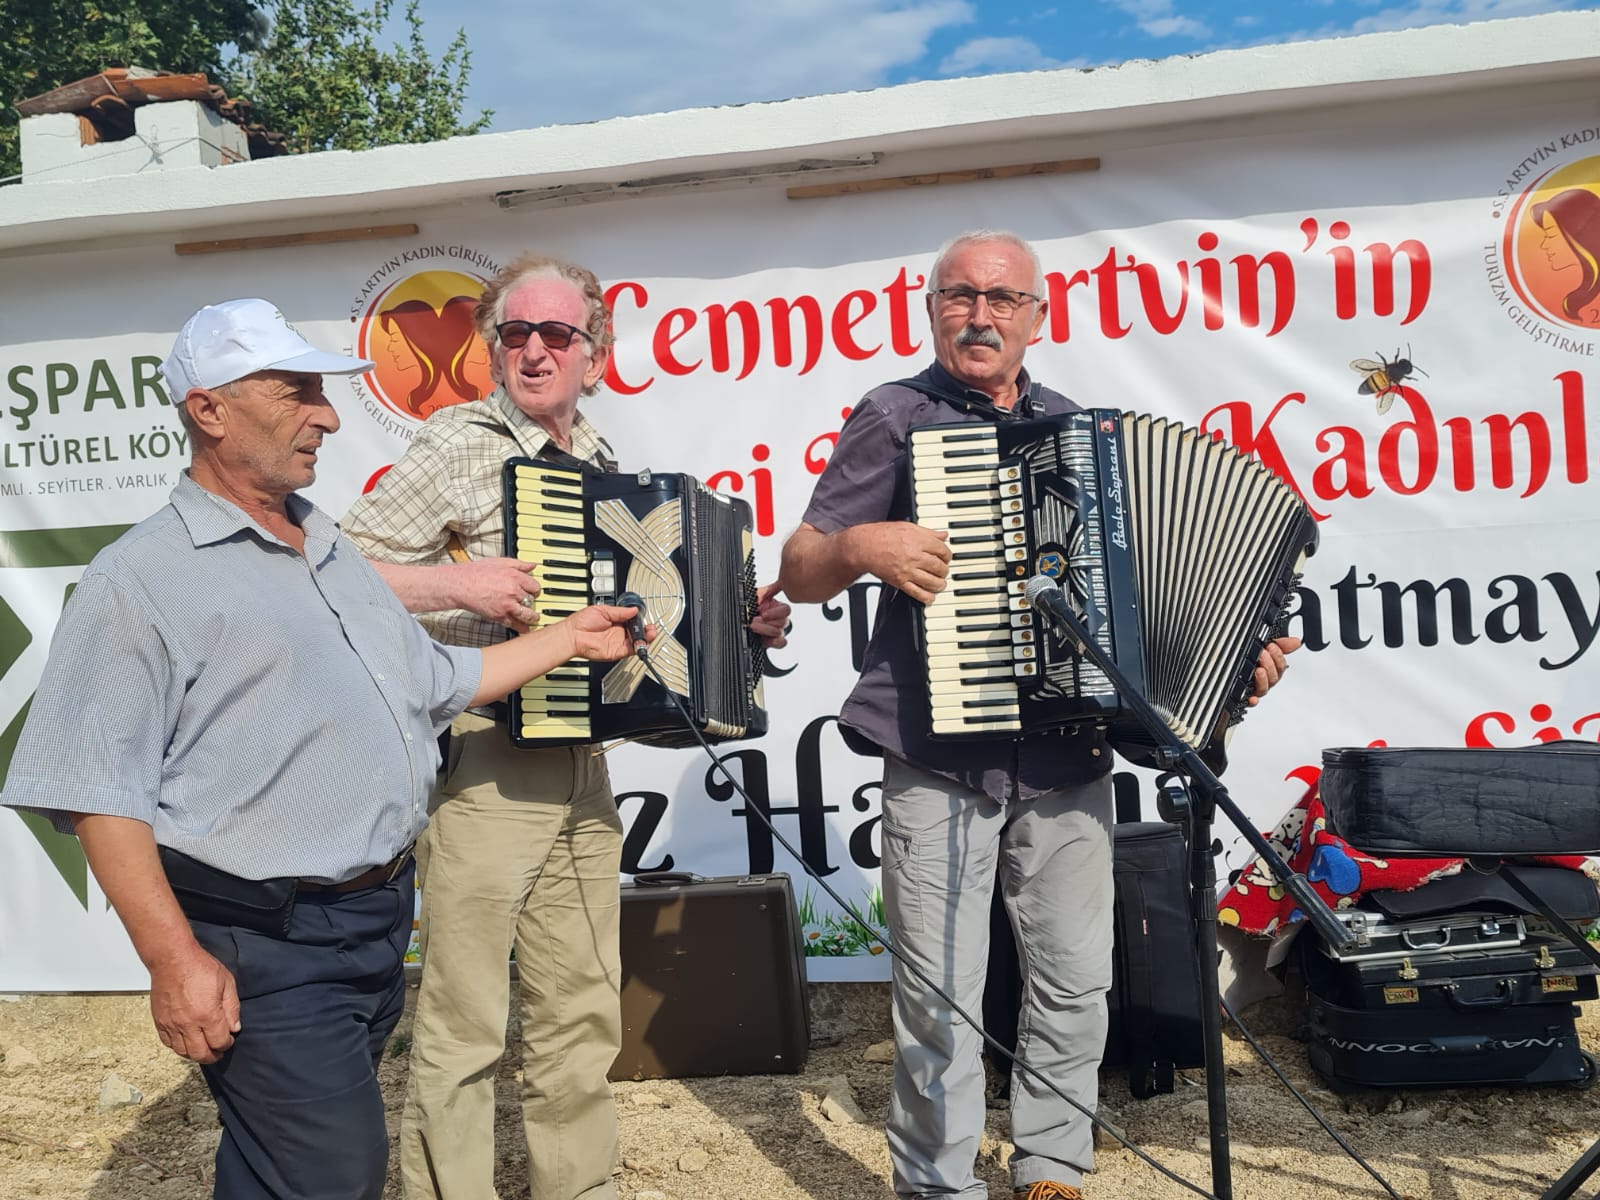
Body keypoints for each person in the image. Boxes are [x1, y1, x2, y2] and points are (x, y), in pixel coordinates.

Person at [0, 298, 646, 1200]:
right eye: (296, 390)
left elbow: (440, 681)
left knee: (282, 1171)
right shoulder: (140, 577)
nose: (329, 415)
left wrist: (572, 639)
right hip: (262, 937)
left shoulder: (326, 546)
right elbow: (96, 793)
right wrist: (174, 963)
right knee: (332, 1171)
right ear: (209, 408)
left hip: (371, 922)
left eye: (324, 391)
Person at [777, 230, 1297, 1200]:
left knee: (1072, 978)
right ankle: (938, 1184)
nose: (980, 316)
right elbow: (799, 569)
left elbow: (1148, 619)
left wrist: (1229, 671)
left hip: (1066, 757)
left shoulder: (1080, 433)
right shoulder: (894, 417)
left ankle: (1051, 1167)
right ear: (931, 311)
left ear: (1037, 316)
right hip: (937, 749)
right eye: (960, 297)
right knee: (938, 995)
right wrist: (863, 546)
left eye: (1003, 299)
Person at [340, 252, 790, 1200]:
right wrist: (453, 582)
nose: (536, 351)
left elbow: (630, 629)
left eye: (558, 335)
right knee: (465, 1023)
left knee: (582, 1012)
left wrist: (732, 634)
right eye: (516, 334)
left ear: (596, 351)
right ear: (490, 348)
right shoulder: (460, 445)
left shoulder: (602, 463)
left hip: (579, 763)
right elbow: (332, 573)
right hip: (483, 762)